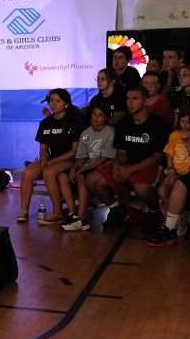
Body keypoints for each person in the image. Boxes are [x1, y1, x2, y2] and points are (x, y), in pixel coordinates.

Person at [86, 86, 170, 231]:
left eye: (135, 98)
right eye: (128, 99)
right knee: (92, 180)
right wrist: (117, 166)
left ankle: (154, 213)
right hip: (127, 164)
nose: (130, 102)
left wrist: (130, 169)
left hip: (149, 165)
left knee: (142, 188)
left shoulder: (157, 124)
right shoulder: (124, 123)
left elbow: (157, 157)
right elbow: (121, 152)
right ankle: (117, 209)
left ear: (146, 101)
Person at [17, 89, 84, 225]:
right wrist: (44, 158)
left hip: (69, 159)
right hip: (51, 159)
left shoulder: (73, 122)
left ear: (65, 103)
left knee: (49, 172)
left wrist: (51, 161)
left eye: (58, 101)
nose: (54, 104)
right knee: (28, 173)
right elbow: (43, 147)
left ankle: (58, 213)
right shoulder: (45, 123)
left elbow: (73, 152)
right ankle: (24, 211)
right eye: (52, 100)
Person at [60, 102, 116, 231]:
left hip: (104, 166)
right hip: (89, 166)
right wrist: (75, 167)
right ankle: (74, 214)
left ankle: (82, 218)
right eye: (94, 114)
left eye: (100, 115)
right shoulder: (85, 133)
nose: (96, 118)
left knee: (81, 176)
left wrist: (83, 169)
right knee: (67, 175)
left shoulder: (110, 132)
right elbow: (81, 158)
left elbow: (103, 159)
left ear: (106, 118)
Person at [148, 111, 190, 246]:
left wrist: (185, 142)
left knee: (178, 186)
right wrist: (171, 171)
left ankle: (171, 224)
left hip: (187, 173)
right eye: (183, 122)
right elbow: (169, 156)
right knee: (162, 190)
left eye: (188, 122)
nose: (185, 125)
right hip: (176, 171)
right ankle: (180, 215)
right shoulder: (174, 135)